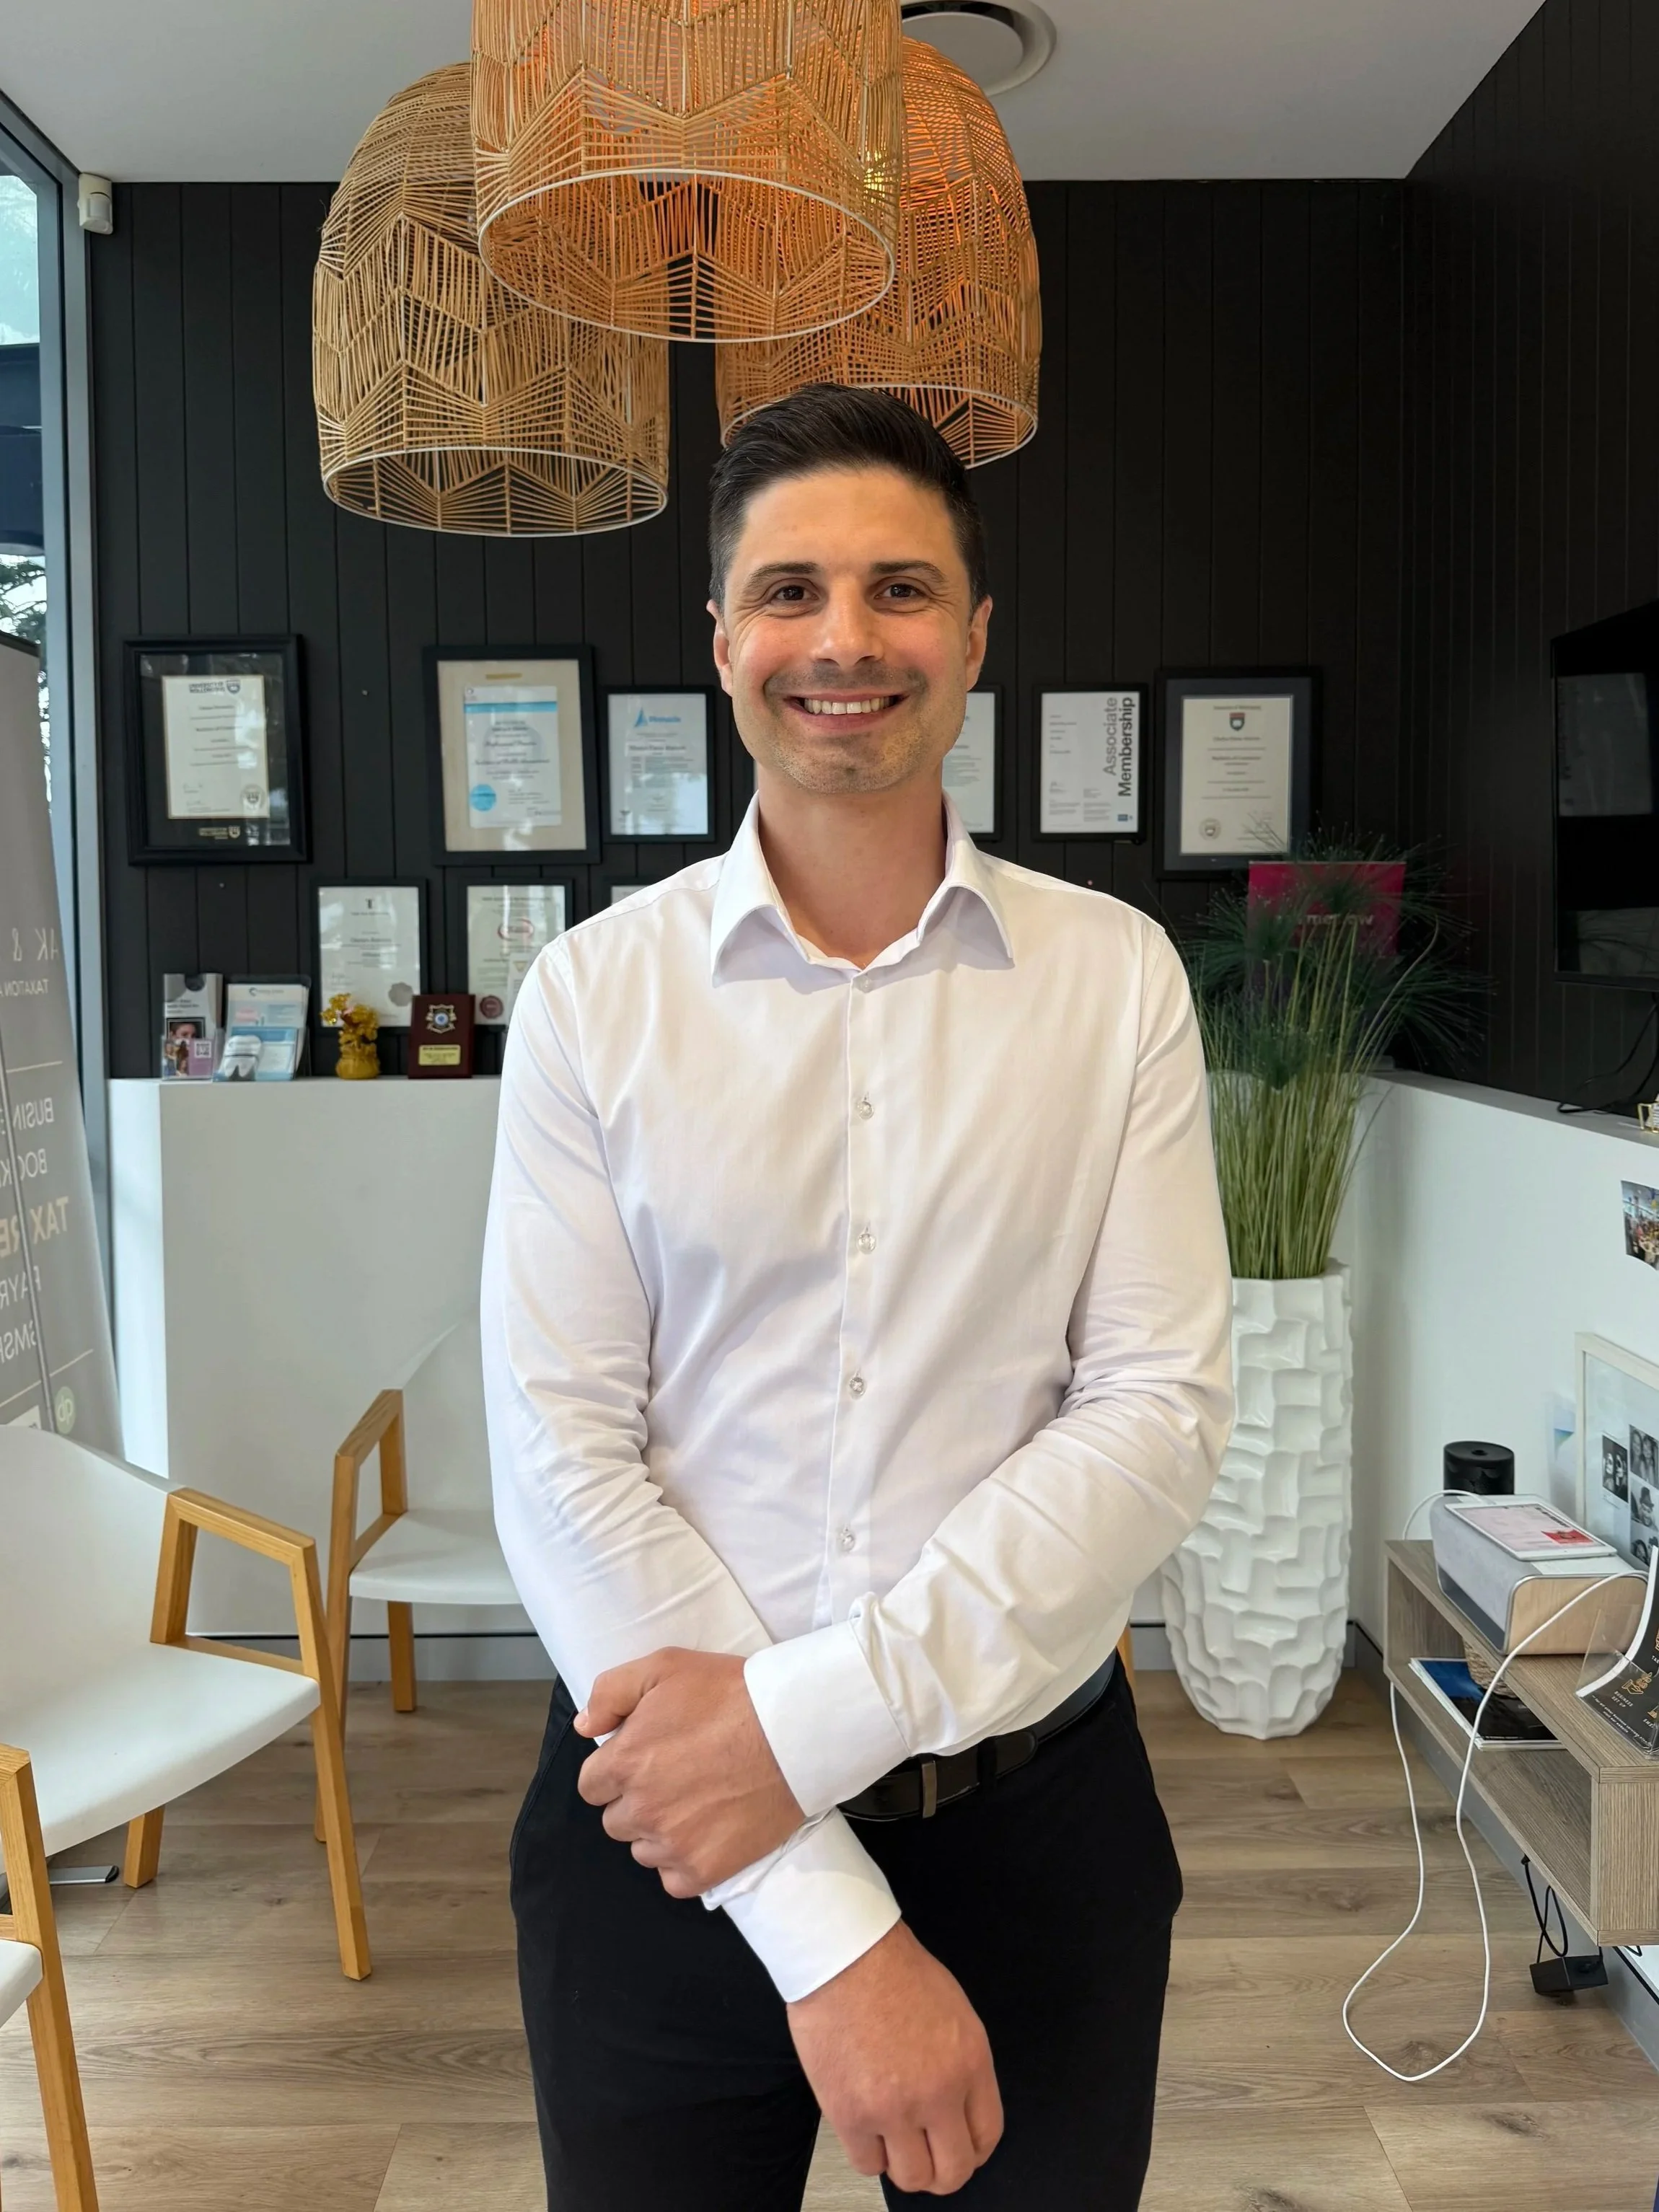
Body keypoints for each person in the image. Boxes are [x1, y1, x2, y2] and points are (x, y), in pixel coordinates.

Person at [481, 384, 1233, 2211]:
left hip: (1031, 1827)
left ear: (974, 638)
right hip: (657, 1831)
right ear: (725, 637)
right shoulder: (594, 997)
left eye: (901, 589)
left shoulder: (1113, 978)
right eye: (792, 589)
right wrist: (819, 1914)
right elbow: (562, 1443)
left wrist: (798, 1728)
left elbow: (1153, 1413)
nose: (844, 639)